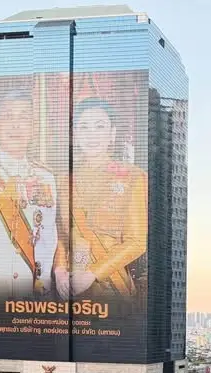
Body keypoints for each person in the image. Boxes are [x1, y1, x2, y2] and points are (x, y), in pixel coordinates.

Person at [0, 89, 61, 300]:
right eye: (8, 117)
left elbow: (47, 239)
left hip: (28, 294)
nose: (16, 125)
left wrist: (42, 287)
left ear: (33, 129)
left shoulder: (45, 177)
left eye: (24, 118)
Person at [60, 97, 147, 299]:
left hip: (110, 288)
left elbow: (137, 242)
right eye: (84, 127)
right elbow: (62, 235)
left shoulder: (132, 177)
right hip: (68, 287)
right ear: (75, 135)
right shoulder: (66, 180)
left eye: (99, 127)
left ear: (112, 134)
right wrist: (59, 271)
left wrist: (92, 274)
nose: (92, 135)